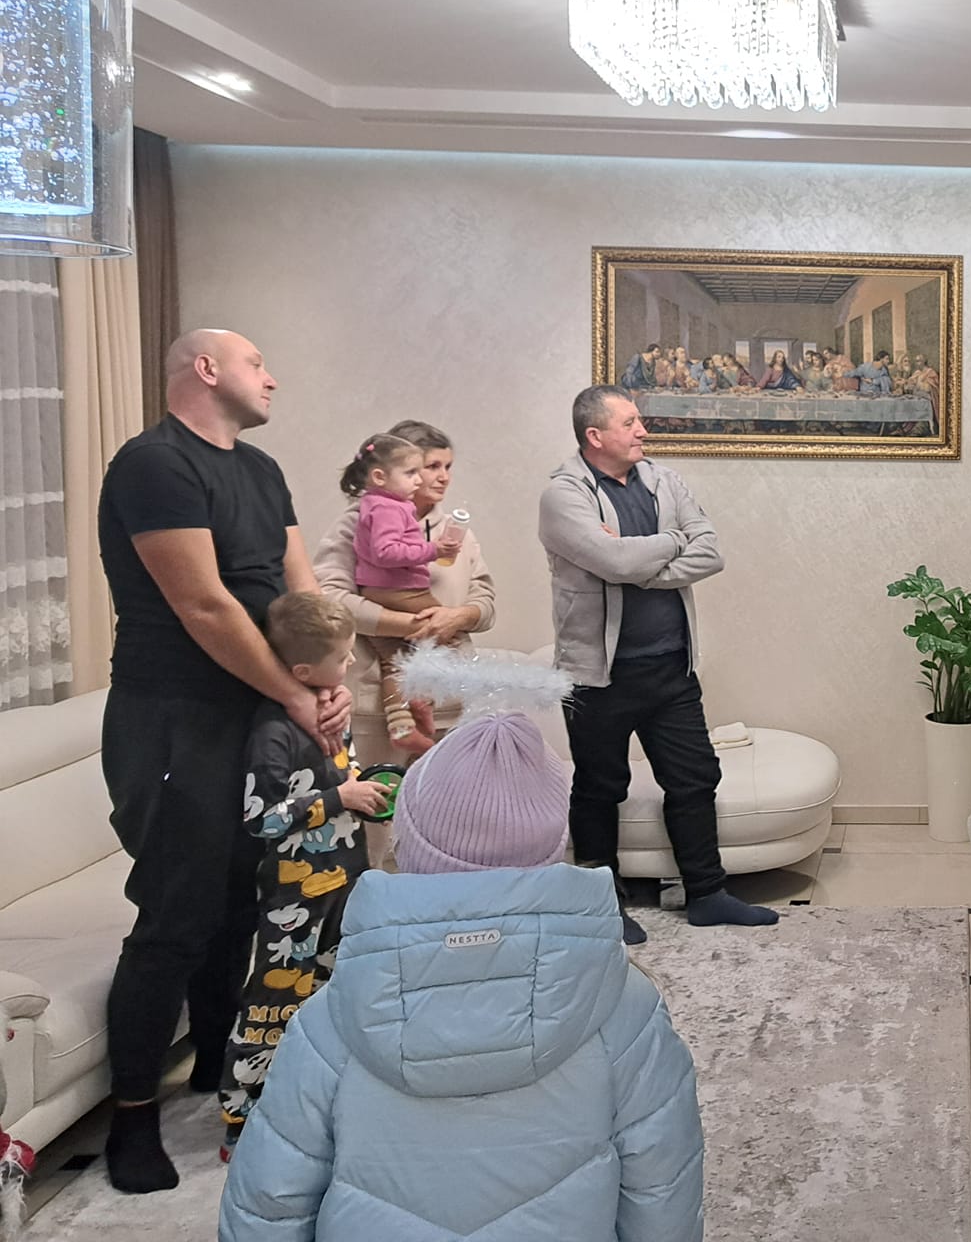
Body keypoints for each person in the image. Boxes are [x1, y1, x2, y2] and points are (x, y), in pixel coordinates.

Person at [218, 708, 706, 1242]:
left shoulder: (329, 1016)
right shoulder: (625, 1007)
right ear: (552, 848)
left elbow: (270, 1202)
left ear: (407, 842)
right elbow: (663, 1185)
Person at [94, 329, 352, 1193]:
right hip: (174, 719)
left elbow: (301, 592)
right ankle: (133, 1117)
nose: (271, 378)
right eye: (256, 364)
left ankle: (215, 1064)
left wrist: (325, 680)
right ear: (206, 370)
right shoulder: (154, 464)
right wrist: (293, 695)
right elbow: (203, 605)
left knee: (247, 898)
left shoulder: (262, 470)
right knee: (178, 914)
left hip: (257, 712)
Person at [540, 385, 775, 938]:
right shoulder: (563, 496)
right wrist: (670, 542)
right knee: (599, 788)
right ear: (595, 435)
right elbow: (612, 561)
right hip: (598, 675)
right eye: (629, 422)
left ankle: (707, 894)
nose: (643, 430)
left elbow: (709, 551)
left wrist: (640, 555)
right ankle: (601, 908)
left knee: (696, 777)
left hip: (671, 666)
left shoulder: (664, 480)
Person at [218, 593, 386, 1158]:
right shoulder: (274, 733)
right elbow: (260, 817)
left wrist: (365, 795)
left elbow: (344, 776)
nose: (351, 665)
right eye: (343, 658)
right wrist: (340, 799)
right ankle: (242, 1114)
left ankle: (324, 1100)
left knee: (338, 992)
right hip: (294, 894)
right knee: (273, 1001)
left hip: (346, 883)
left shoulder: (329, 710)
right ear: (303, 671)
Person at [314, 417, 496, 842]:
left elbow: (486, 602)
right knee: (377, 829)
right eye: (430, 467)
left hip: (449, 698)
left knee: (446, 826)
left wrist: (459, 617)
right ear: (394, 472)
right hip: (376, 704)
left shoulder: (456, 533)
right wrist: (408, 624)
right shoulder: (356, 523)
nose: (443, 477)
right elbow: (329, 598)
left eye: (448, 467)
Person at [340, 432, 463, 751]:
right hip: (399, 590)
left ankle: (401, 725)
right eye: (411, 472)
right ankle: (421, 697)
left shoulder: (374, 504)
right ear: (379, 477)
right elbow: (386, 552)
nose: (419, 479)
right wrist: (432, 550)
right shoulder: (389, 508)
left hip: (376, 591)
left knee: (395, 661)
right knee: (448, 634)